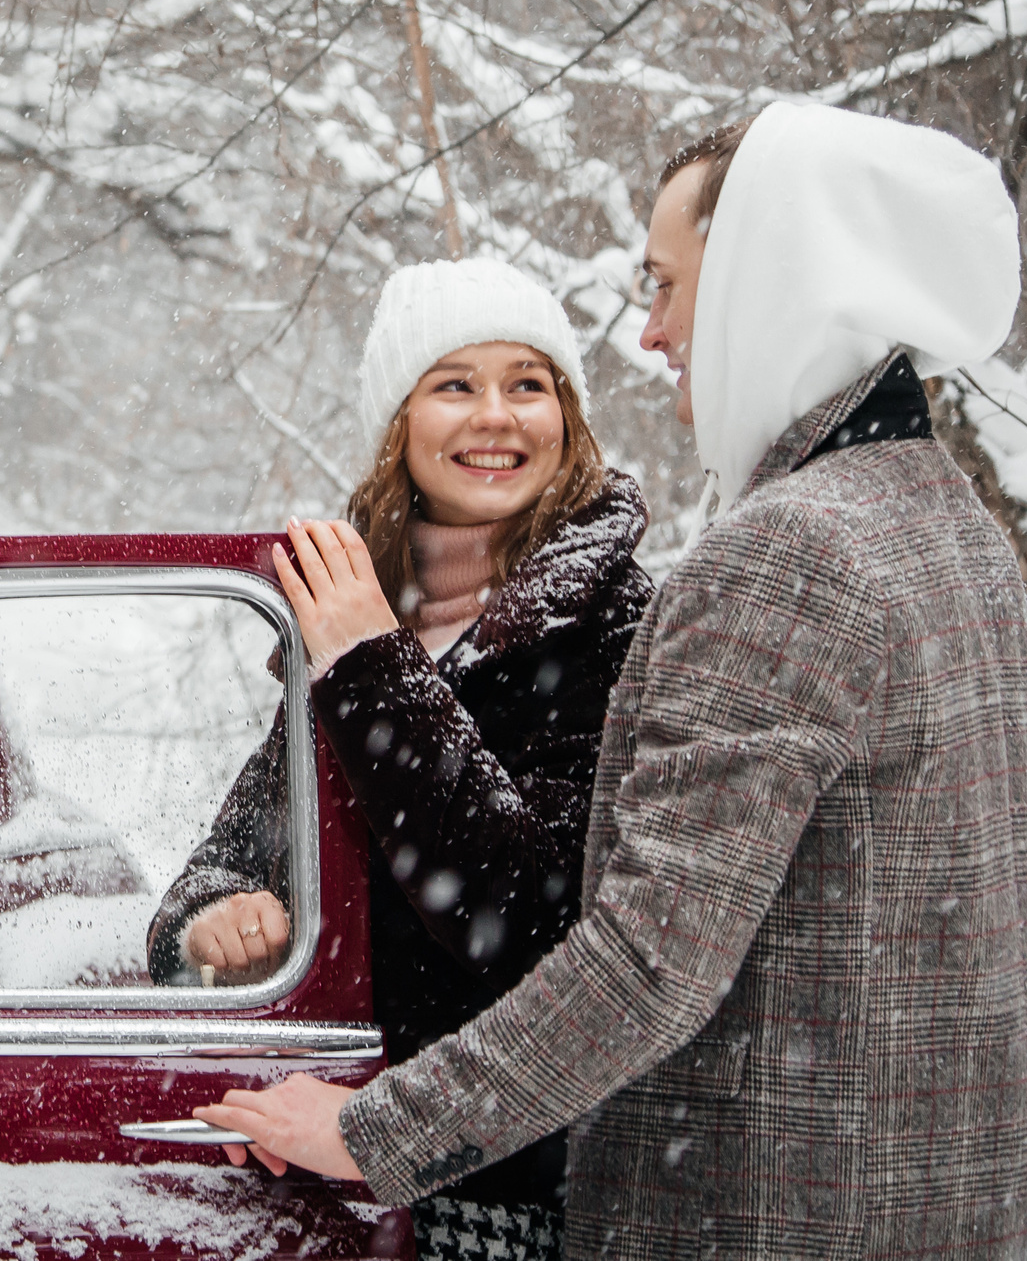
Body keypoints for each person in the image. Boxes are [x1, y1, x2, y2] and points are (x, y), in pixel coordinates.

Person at [197, 102, 1027, 1260]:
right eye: (451, 387)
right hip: (911, 1207)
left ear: (766, 276)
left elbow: (640, 961)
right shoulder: (943, 522)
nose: (649, 333)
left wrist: (375, 1130)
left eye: (666, 284)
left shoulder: (787, 555)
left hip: (760, 1216)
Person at [149, 255, 654, 1261]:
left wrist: (371, 664)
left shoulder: (622, 627)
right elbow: (227, 860)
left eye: (528, 383)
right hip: (344, 1159)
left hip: (517, 1184)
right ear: (399, 422)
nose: (496, 417)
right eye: (454, 385)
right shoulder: (359, 614)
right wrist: (211, 920)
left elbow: (527, 918)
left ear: (569, 416)